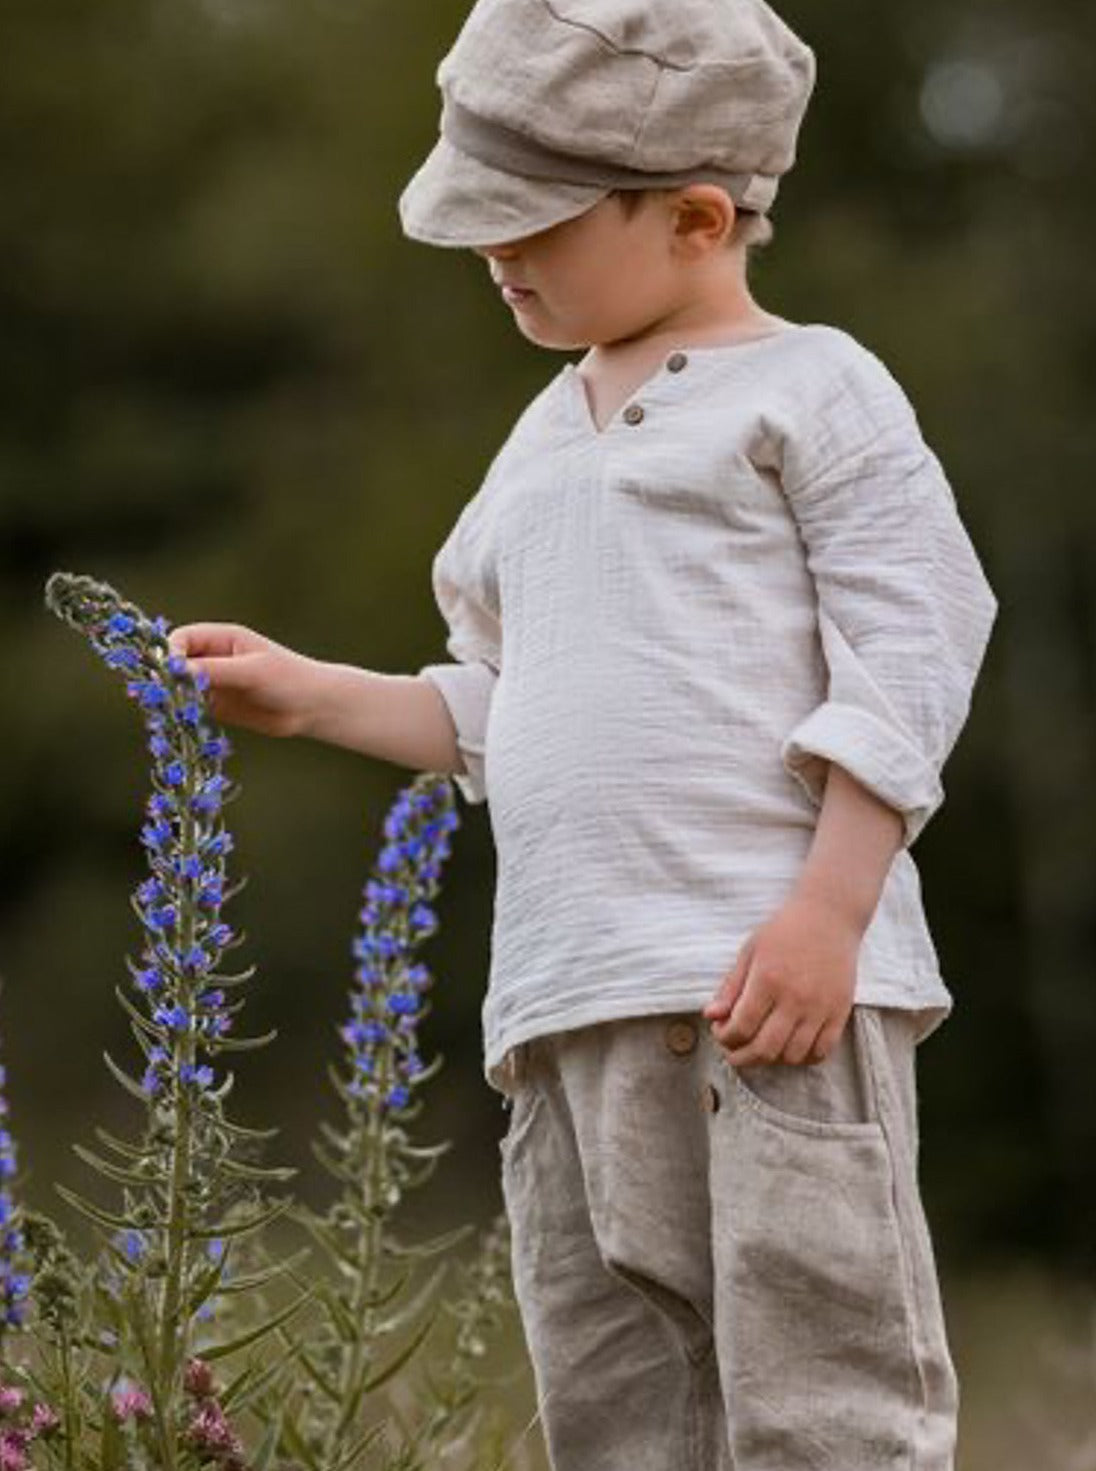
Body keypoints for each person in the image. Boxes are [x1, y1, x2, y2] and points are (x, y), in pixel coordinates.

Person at [171, 0, 999, 1466]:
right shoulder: (540, 443)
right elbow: (505, 703)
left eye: (530, 224)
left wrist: (830, 909)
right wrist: (308, 695)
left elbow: (917, 639)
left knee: (825, 1401)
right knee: (616, 1415)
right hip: (566, 1018)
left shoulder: (815, 391)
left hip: (773, 999)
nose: (494, 255)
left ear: (691, 216)